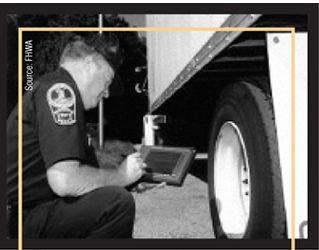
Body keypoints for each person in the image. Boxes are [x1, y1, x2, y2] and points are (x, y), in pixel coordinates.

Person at [7, 36, 146, 238]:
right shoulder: (61, 91)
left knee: (109, 196)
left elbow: (82, 175)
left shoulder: (51, 86)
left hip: (26, 214)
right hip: (19, 221)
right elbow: (64, 179)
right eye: (107, 81)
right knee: (116, 203)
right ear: (90, 64)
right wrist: (121, 177)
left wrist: (131, 178)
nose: (106, 94)